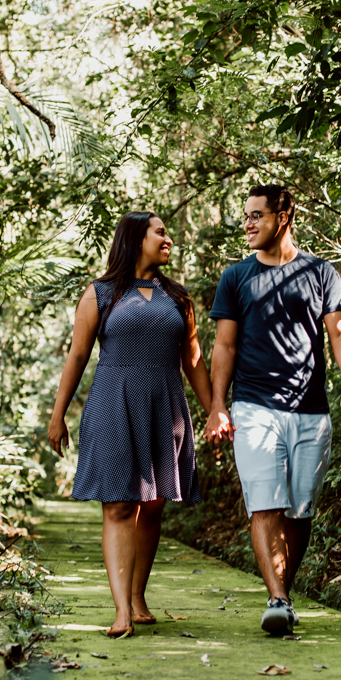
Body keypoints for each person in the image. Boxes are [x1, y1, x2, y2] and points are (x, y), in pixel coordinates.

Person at [206, 184, 341, 636]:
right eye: (246, 217)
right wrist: (218, 406)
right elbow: (225, 345)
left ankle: (284, 598)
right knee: (265, 503)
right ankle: (276, 597)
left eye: (257, 215)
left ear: (284, 216)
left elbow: (340, 331)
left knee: (300, 509)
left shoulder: (320, 273)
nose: (249, 224)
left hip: (311, 409)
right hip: (254, 406)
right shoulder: (236, 277)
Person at [48, 211, 212, 639]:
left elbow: (193, 361)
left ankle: (138, 597)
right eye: (160, 232)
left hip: (165, 405)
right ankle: (121, 610)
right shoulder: (101, 293)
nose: (168, 239)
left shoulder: (178, 297)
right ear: (136, 238)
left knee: (153, 505)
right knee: (120, 505)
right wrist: (57, 413)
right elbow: (78, 356)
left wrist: (216, 409)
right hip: (113, 404)